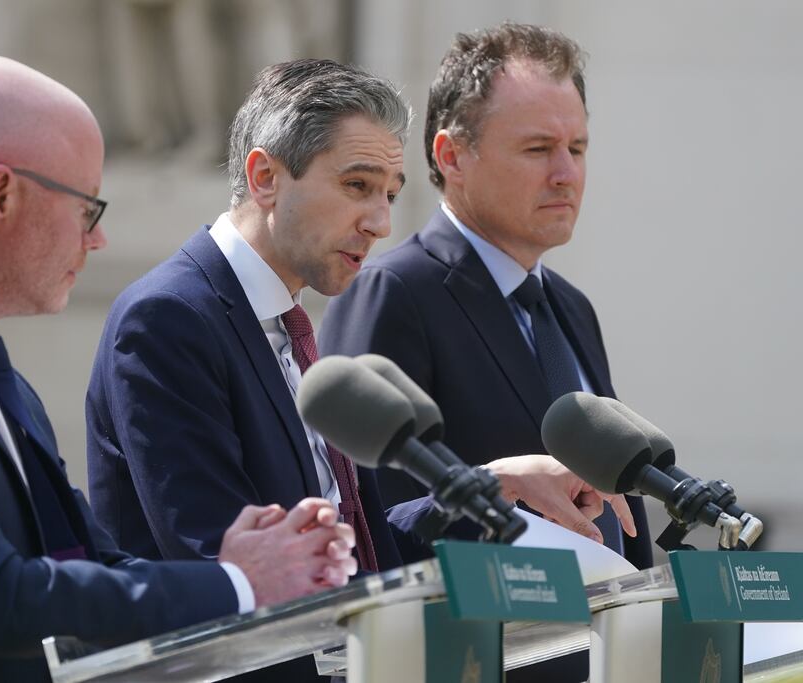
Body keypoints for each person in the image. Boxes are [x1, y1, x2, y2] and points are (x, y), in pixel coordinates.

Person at [0, 55, 358, 683]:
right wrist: (237, 584)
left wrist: (240, 571)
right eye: (87, 208)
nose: (98, 240)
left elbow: (90, 562)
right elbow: (0, 605)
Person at [86, 56, 633, 681]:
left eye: (391, 194)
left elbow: (367, 549)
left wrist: (493, 483)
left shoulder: (291, 322)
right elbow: (226, 563)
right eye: (357, 186)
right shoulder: (169, 318)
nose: (381, 223)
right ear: (265, 176)